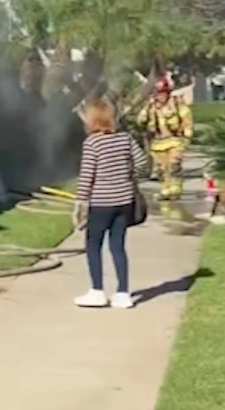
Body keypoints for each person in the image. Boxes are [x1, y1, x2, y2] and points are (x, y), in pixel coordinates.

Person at [72, 100, 151, 309]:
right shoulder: (125, 139)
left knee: (93, 245)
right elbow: (142, 163)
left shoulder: (92, 143)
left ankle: (97, 291)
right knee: (118, 246)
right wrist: (130, 177)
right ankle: (123, 293)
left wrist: (80, 204)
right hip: (124, 200)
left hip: (101, 202)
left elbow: (87, 176)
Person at [136, 74, 193, 200]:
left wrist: (186, 139)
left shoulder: (177, 104)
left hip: (175, 140)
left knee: (174, 165)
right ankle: (165, 190)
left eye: (162, 93)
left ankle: (176, 190)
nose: (160, 96)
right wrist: (146, 108)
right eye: (157, 93)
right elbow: (141, 121)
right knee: (162, 169)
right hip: (158, 142)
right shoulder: (151, 106)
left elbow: (187, 121)